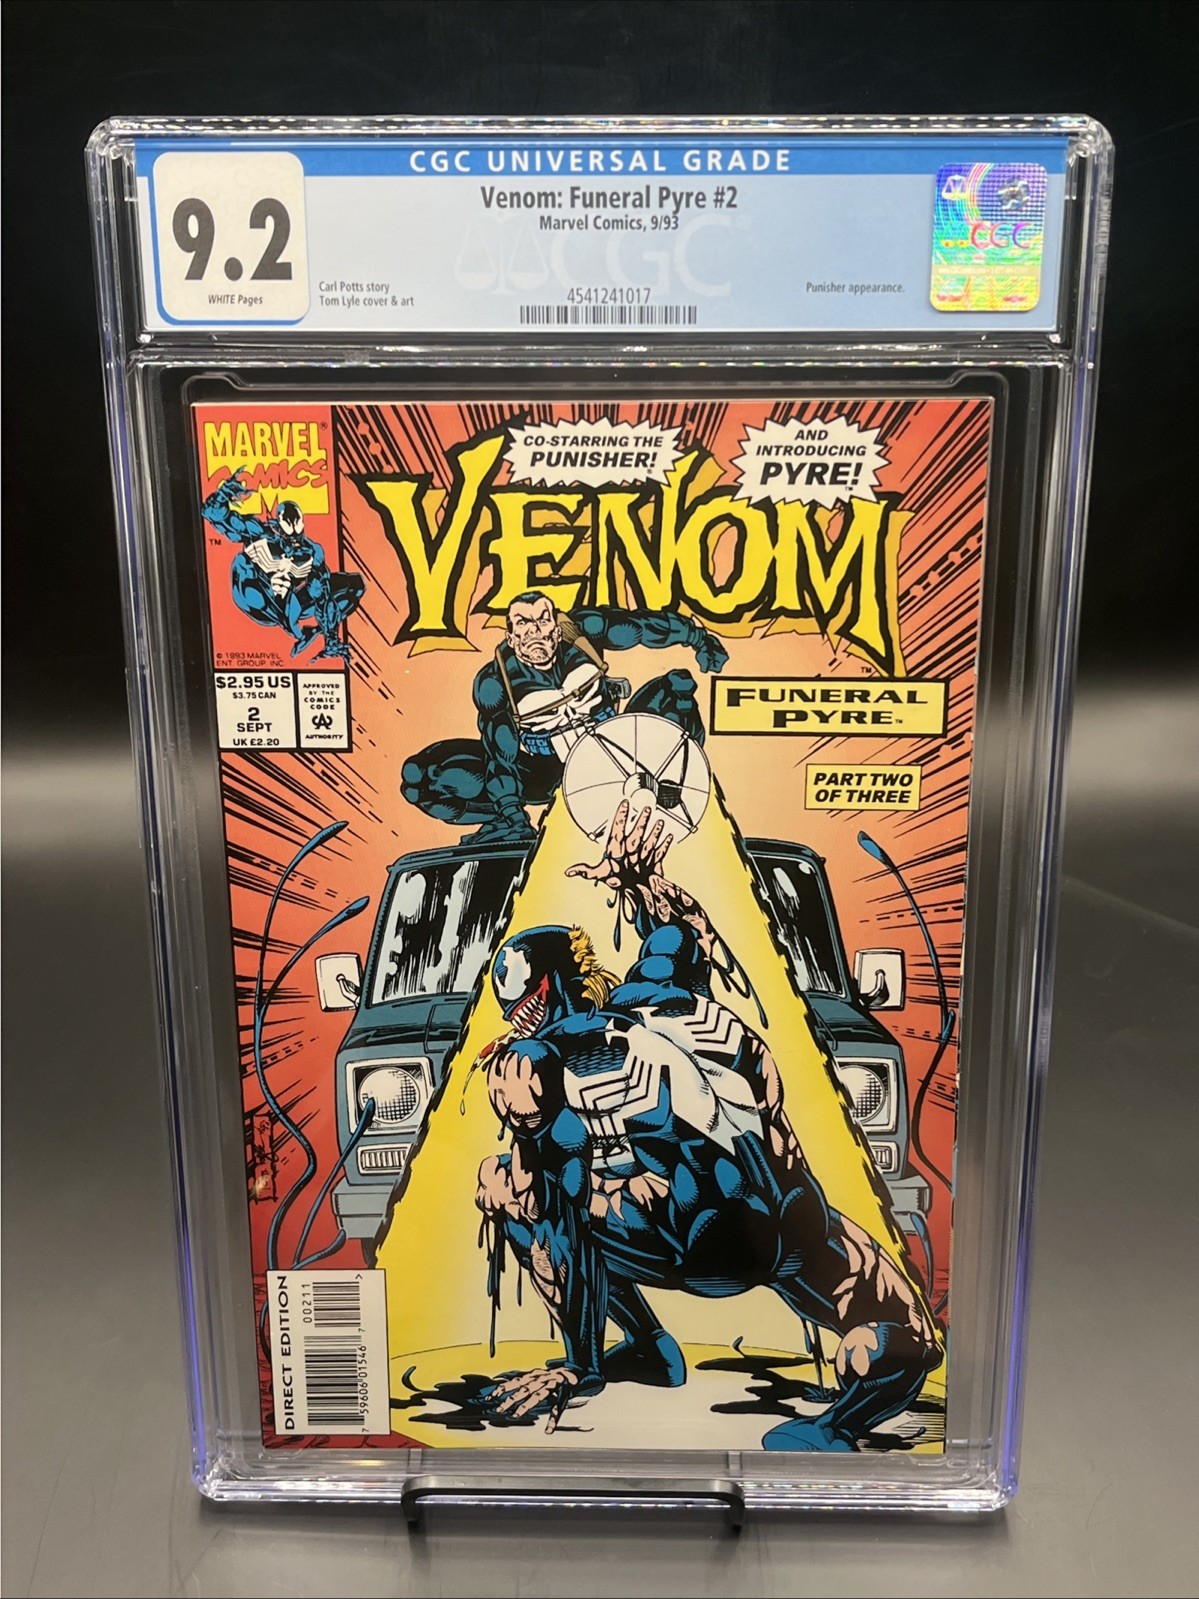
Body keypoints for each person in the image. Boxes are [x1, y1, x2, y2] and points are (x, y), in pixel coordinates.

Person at [473, 800, 941, 1448]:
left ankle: (619, 1353)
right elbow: (676, 932)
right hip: (792, 1222)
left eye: (521, 1012)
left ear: (538, 1001)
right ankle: (823, 1420)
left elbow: (553, 1207)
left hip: (691, 1238)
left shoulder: (540, 1059)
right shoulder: (657, 990)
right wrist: (642, 880)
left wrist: (578, 1364)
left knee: (509, 1185)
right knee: (908, 1339)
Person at [400, 590, 728, 842]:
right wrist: (514, 818)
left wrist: (699, 639)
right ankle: (502, 823)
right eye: (523, 625)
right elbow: (501, 757)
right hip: (551, 774)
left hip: (627, 752)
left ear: (556, 627)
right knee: (422, 778)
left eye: (542, 621)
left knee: (678, 686)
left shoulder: (584, 633)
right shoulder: (495, 683)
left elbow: (642, 626)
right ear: (510, 637)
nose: (534, 632)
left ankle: (677, 789)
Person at [201, 468, 364, 660]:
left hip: (294, 604)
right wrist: (224, 494)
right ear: (279, 528)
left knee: (352, 584)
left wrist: (331, 638)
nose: (294, 541)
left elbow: (324, 592)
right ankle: (294, 627)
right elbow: (211, 513)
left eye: (297, 536)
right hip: (258, 599)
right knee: (242, 563)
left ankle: (318, 634)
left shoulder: (312, 550)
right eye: (288, 535)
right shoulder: (259, 533)